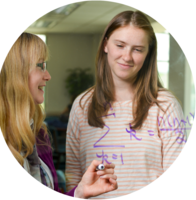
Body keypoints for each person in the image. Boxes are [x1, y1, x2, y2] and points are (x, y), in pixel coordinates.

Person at [66, 10, 187, 198]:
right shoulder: (82, 105)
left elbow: (176, 180)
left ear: (148, 53)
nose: (127, 56)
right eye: (120, 45)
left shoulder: (165, 105)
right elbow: (74, 178)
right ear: (106, 44)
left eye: (138, 49)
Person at [0, 32, 118, 198]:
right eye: (40, 66)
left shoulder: (39, 134)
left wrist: (81, 191)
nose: (48, 76)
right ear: (15, 72)